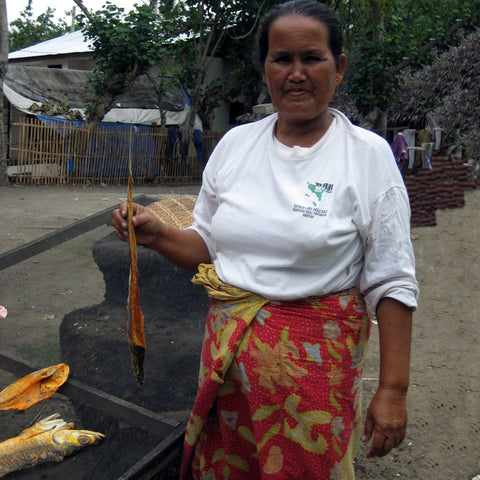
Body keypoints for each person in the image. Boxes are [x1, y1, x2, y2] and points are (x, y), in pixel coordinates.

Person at [111, 1, 419, 478]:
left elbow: (393, 280)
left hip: (314, 377)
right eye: (282, 59)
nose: (296, 73)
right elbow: (207, 248)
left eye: (311, 58)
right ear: (265, 69)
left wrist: (393, 390)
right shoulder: (236, 146)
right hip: (227, 365)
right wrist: (156, 235)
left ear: (337, 69)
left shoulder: (367, 157)